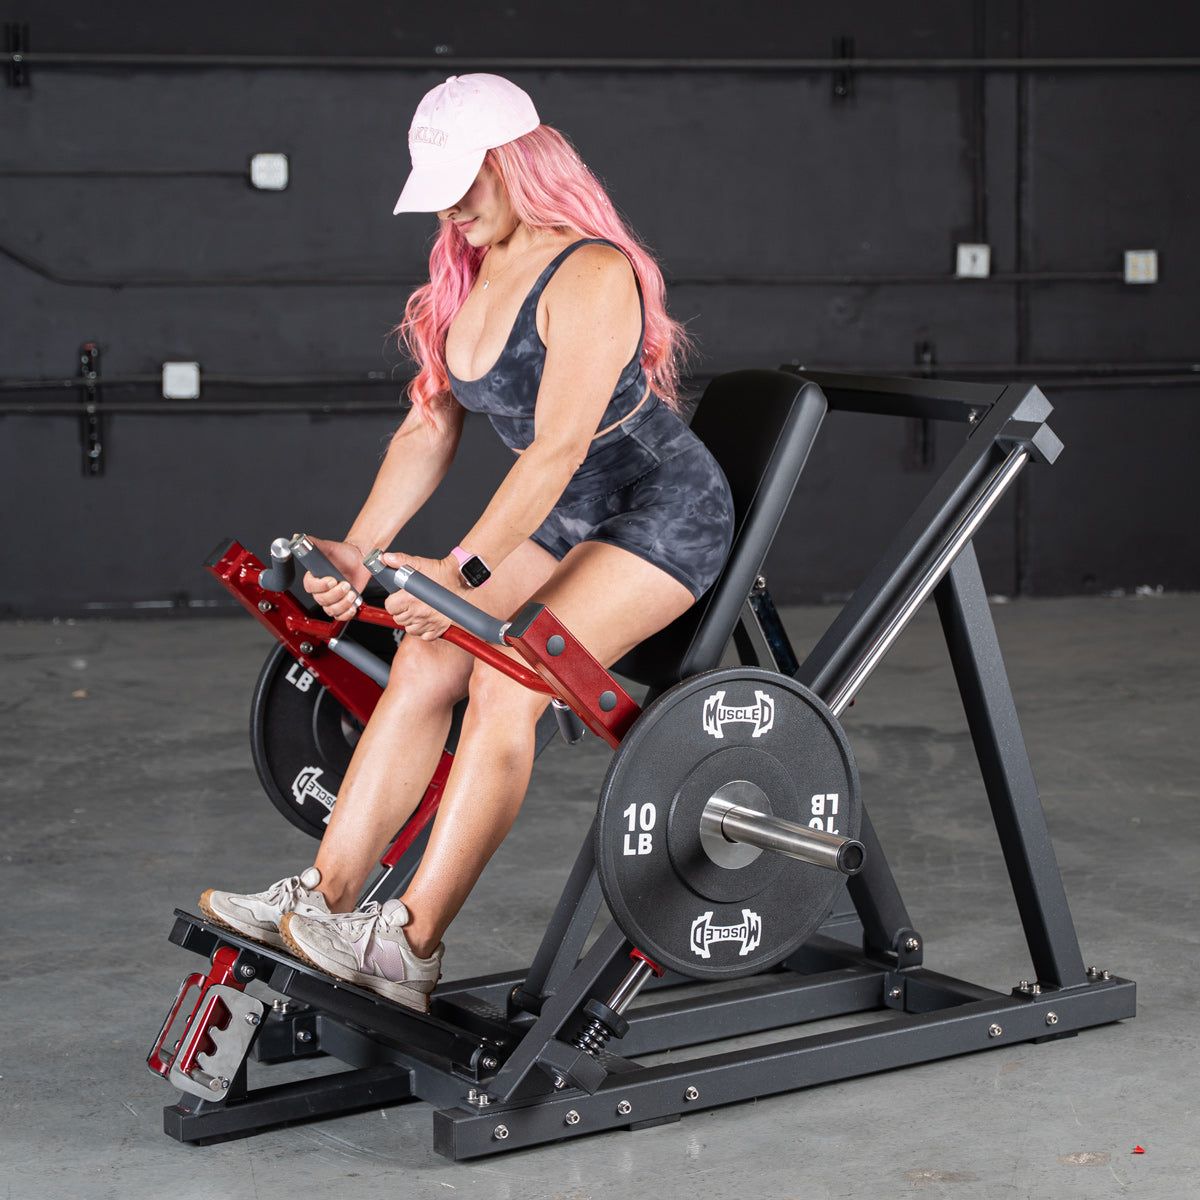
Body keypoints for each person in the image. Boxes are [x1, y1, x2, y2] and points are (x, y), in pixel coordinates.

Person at [200, 74, 734, 1012]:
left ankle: (408, 946)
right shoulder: (467, 273)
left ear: (516, 161)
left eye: (464, 184)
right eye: (438, 190)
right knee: (426, 657)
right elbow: (428, 429)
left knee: (510, 679)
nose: (450, 208)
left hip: (661, 510)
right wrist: (360, 550)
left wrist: (458, 573)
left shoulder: (590, 271)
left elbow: (557, 448)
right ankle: (325, 898)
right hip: (564, 516)